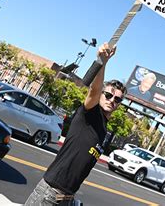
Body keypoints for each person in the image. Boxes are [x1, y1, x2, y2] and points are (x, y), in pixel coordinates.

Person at [25, 43, 126, 206]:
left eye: (117, 99)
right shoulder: (89, 114)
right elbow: (94, 90)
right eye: (108, 95)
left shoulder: (103, 128)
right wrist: (103, 62)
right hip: (50, 193)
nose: (112, 100)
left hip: (66, 198)